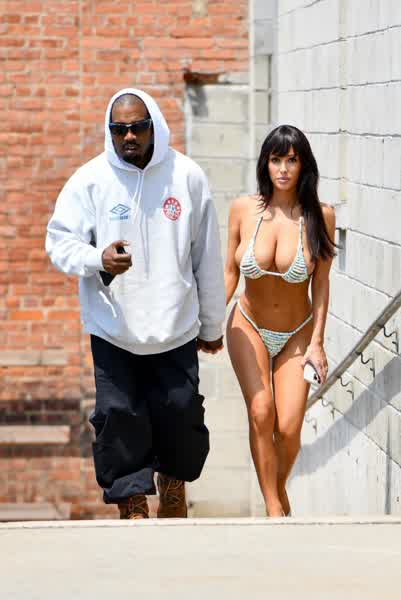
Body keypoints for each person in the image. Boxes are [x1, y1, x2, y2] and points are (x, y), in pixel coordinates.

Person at [46, 88, 225, 519]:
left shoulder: (187, 176)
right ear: (109, 131)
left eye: (138, 127)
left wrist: (212, 325)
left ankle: (173, 483)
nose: (129, 136)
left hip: (175, 326)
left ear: (154, 126)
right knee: (119, 414)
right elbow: (59, 242)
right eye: (119, 129)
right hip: (114, 328)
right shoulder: (90, 180)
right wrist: (98, 258)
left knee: (181, 412)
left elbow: (206, 257)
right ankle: (131, 501)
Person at [224, 125, 336, 517]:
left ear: (303, 165)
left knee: (288, 429)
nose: (283, 169)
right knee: (261, 412)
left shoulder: (321, 216)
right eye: (276, 160)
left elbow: (321, 284)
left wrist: (318, 342)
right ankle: (274, 511)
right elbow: (229, 274)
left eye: (291, 160)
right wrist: (207, 323)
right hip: (248, 324)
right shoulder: (243, 209)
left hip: (297, 332)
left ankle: (278, 492)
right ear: (265, 164)